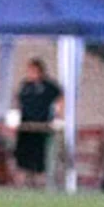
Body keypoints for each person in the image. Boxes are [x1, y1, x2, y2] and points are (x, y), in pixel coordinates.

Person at [13, 58, 63, 187]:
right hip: (25, 125)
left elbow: (61, 97)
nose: (29, 73)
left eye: (32, 70)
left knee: (39, 154)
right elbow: (18, 99)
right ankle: (22, 182)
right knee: (22, 155)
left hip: (41, 125)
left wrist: (59, 115)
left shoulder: (48, 86)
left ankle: (40, 181)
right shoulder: (25, 85)